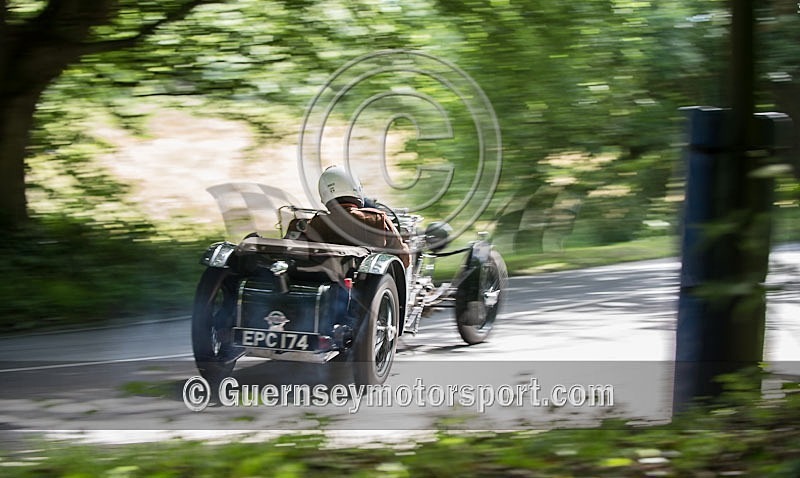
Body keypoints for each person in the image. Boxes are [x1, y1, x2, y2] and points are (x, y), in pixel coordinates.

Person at [305, 165, 410, 267]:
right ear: (356, 188)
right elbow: (404, 259)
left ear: (323, 194)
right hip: (367, 282)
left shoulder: (314, 224)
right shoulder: (377, 219)